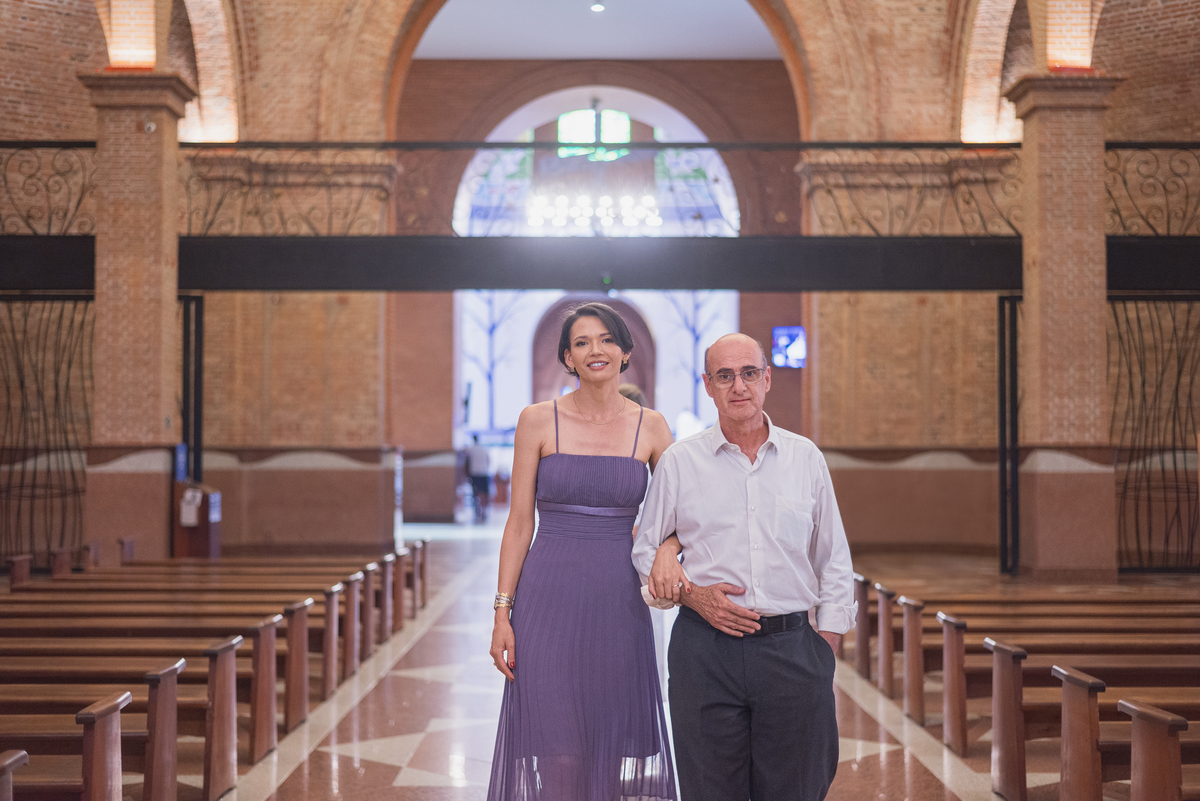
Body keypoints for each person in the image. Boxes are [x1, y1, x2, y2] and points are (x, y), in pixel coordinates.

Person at [632, 332, 857, 801]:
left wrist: (826, 643)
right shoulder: (679, 463)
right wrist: (693, 595)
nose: (739, 386)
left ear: (767, 379)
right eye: (725, 376)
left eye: (749, 373)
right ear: (708, 385)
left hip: (792, 650)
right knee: (709, 790)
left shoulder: (805, 458)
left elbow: (832, 555)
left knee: (797, 789)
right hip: (704, 652)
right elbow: (644, 550)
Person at [487, 302, 677, 801]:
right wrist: (502, 613)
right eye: (581, 342)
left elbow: (682, 515)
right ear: (568, 358)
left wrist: (667, 549)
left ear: (625, 352)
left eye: (607, 339)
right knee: (559, 756)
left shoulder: (653, 428)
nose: (596, 349)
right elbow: (518, 523)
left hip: (618, 601)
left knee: (606, 754)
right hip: (547, 598)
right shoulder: (536, 420)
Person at [466, 434, 491, 522]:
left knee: (476, 493)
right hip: (483, 473)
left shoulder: (470, 449)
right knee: (484, 493)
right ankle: (483, 510)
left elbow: (467, 462)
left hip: (475, 474)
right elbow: (488, 461)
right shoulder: (484, 449)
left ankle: (478, 511)